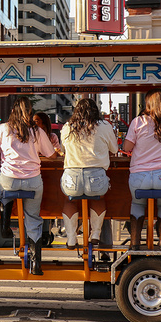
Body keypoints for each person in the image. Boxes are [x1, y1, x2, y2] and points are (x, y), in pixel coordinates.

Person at [0, 96, 57, 275]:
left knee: (3, 187)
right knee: (33, 218)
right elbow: (52, 155)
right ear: (29, 113)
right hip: (33, 181)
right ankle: (36, 264)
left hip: (9, 179)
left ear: (13, 110)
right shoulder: (37, 131)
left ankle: (5, 219)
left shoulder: (3, 129)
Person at [123, 88, 161, 251]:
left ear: (148, 103)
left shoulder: (138, 122)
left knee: (137, 204)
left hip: (140, 176)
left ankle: (135, 243)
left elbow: (127, 147)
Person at [60, 99, 118, 249]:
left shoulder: (68, 127)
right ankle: (95, 234)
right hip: (96, 176)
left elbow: (63, 149)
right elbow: (114, 150)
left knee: (69, 201)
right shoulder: (105, 126)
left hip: (72, 177)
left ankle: (72, 238)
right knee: (98, 199)